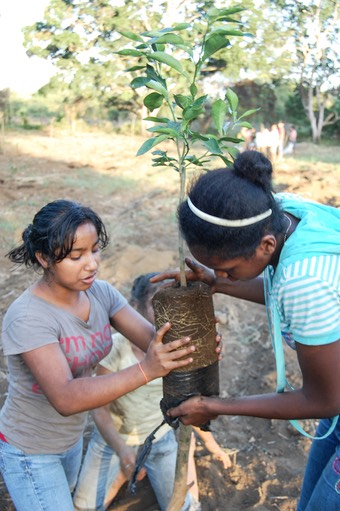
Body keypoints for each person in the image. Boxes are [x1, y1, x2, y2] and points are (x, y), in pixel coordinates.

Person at [151, 150, 340, 511]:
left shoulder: (305, 280)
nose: (218, 275)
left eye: (227, 269)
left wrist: (212, 405)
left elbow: (325, 398)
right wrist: (219, 283)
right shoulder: (281, 212)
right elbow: (279, 283)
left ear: (265, 246)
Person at [0, 200, 196, 511]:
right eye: (76, 256)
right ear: (44, 258)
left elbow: (150, 339)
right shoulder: (28, 317)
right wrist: (146, 370)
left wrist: (194, 344)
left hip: (69, 441)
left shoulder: (100, 294)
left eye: (94, 250)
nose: (91, 263)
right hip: (31, 450)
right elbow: (65, 398)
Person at [73, 273, 232, 511]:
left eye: (171, 306)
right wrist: (122, 451)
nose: (166, 315)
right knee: (82, 507)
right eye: (156, 306)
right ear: (134, 307)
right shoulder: (115, 348)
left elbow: (193, 404)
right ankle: (123, 473)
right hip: (114, 438)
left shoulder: (178, 352)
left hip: (159, 437)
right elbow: (100, 411)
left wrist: (212, 444)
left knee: (184, 506)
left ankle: (135, 472)